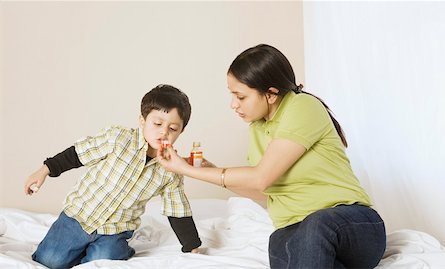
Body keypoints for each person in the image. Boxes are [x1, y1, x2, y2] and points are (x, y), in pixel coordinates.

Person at [157, 44, 386, 269]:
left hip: (350, 225)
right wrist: (210, 169)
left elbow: (261, 178)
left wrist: (187, 170)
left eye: (241, 96)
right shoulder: (257, 129)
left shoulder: (303, 106)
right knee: (278, 241)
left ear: (271, 94)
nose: (233, 104)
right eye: (232, 95)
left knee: (316, 225)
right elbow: (264, 191)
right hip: (297, 231)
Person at [24, 84, 202, 269]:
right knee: (50, 261)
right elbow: (78, 154)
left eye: (173, 128)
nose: (164, 132)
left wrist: (191, 245)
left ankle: (115, 250)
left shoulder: (172, 169)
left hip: (115, 231)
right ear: (142, 120)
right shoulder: (118, 138)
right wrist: (44, 170)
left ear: (181, 131)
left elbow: (177, 209)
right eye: (157, 124)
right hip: (78, 217)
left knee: (103, 261)